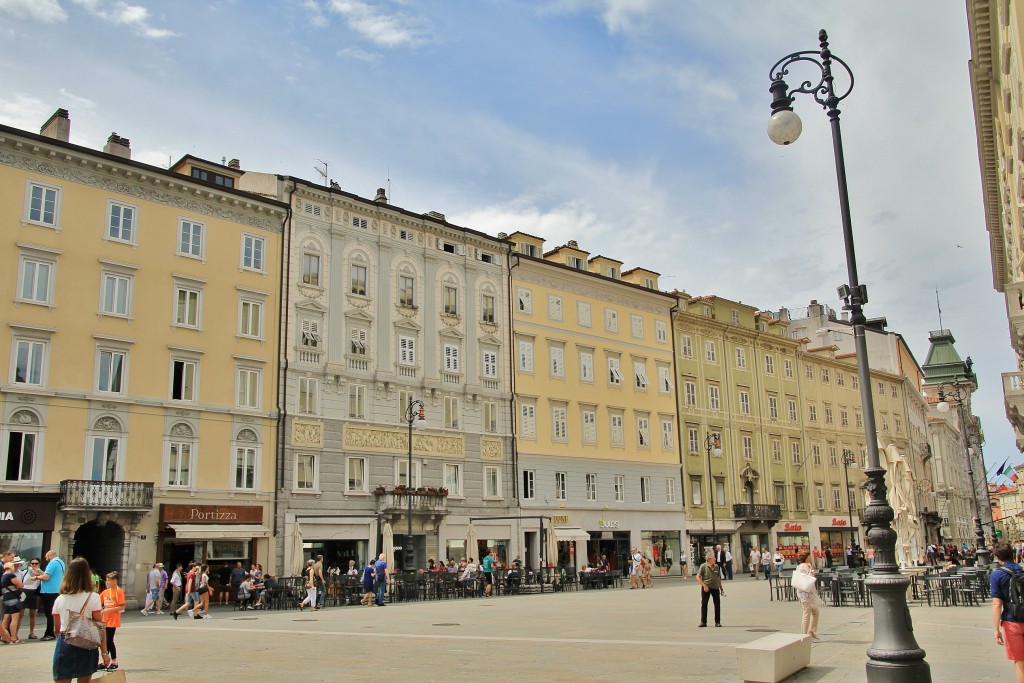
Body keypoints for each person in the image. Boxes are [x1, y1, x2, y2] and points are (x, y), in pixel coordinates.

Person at [52, 556, 111, 682]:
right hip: (87, 643)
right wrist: (104, 653)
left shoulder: (60, 599)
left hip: (65, 640)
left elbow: (56, 629)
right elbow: (100, 628)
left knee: (61, 678)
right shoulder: (93, 597)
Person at [992, 542, 1024, 682]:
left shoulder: (997, 575)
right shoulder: (1021, 570)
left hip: (1011, 621)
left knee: (1020, 662)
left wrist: (996, 629)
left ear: (998, 558)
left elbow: (997, 604)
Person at [36, 549, 66, 641]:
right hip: (56, 590)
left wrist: (36, 577)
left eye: (46, 558)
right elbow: (52, 575)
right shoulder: (61, 562)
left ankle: (50, 633)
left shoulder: (52, 563)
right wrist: (41, 572)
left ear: (49, 556)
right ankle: (52, 632)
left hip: (49, 591)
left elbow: (46, 577)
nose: (46, 560)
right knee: (54, 613)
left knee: (49, 613)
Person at [98, 571, 125, 671]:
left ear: (115, 581)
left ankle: (114, 661)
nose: (107, 582)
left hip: (113, 620)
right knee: (104, 641)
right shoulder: (105, 592)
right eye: (107, 580)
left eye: (109, 580)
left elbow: (122, 606)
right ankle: (105, 661)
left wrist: (108, 610)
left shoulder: (119, 592)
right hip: (104, 619)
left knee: (109, 640)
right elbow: (98, 601)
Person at [793, 550, 822, 642]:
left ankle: (811, 631)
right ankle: (804, 635)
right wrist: (811, 569)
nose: (810, 558)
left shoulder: (799, 566)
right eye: (809, 556)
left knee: (815, 611)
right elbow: (809, 577)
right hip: (806, 593)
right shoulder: (805, 566)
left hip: (805, 593)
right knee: (806, 614)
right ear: (806, 557)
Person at [696, 552, 724, 628]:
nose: (715, 558)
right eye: (713, 557)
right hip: (706, 587)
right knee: (704, 604)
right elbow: (698, 577)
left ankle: (717, 622)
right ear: (709, 559)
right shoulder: (703, 566)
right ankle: (703, 622)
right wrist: (704, 585)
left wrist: (721, 589)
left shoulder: (716, 567)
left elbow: (718, 578)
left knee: (717, 605)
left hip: (715, 588)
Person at [2, 558, 25, 643]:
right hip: (13, 598)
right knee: (15, 618)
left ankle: (3, 636)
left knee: (6, 618)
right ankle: (14, 637)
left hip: (6, 597)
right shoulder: (11, 575)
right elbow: (21, 585)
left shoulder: (3, 576)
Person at [20, 556, 41, 639]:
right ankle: (16, 632)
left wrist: (39, 574)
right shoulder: (24, 572)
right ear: (30, 564)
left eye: (36, 563)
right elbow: (22, 582)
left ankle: (31, 633)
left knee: (33, 614)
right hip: (25, 591)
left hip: (34, 592)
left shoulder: (41, 573)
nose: (34, 565)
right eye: (33, 563)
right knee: (20, 613)